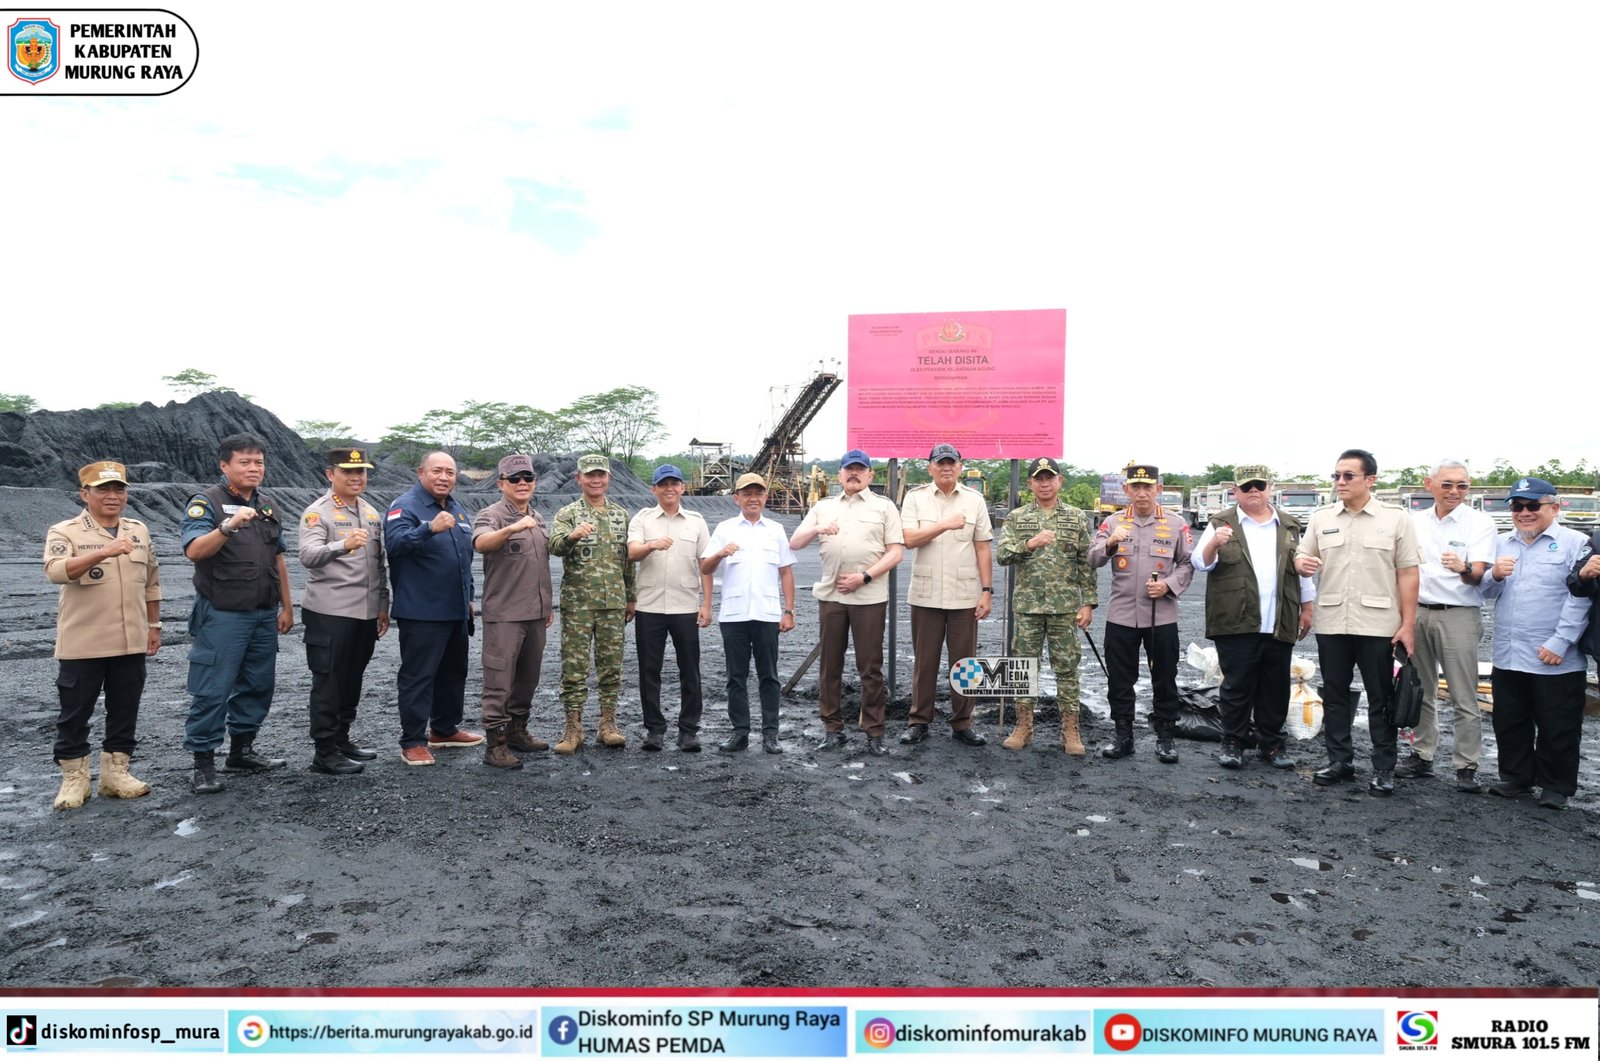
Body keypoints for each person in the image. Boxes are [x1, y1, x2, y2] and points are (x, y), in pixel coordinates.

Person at [1295, 448, 1419, 796]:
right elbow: (1304, 553)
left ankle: (1383, 768)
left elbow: (1408, 573)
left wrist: (1408, 624)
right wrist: (1300, 563)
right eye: (1336, 475)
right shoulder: (1322, 517)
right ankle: (1340, 761)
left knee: (1382, 699)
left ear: (1370, 480)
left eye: (1348, 476)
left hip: (1378, 624)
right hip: (1333, 621)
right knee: (1334, 695)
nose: (1340, 482)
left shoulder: (1395, 518)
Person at [181, 433, 295, 794]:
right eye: (244, 462)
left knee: (258, 686)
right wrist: (228, 527)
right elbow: (195, 551)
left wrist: (288, 605)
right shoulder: (206, 503)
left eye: (258, 462)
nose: (253, 468)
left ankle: (242, 751)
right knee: (212, 689)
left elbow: (278, 558)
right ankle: (203, 763)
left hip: (263, 613)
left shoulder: (267, 505)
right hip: (223, 614)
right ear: (224, 466)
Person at [43, 460, 162, 809]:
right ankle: (74, 780)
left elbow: (151, 582)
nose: (113, 496)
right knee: (75, 713)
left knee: (125, 708)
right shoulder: (65, 531)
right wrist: (106, 550)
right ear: (85, 494)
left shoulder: (138, 530)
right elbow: (56, 572)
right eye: (103, 489)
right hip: (84, 641)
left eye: (119, 489)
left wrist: (154, 627)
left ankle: (116, 775)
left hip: (130, 640)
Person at [1189, 464, 1315, 769]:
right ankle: (1233, 742)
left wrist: (1308, 608)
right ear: (1236, 492)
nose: (1254, 491)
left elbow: (1304, 568)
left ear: (1270, 488)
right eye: (1247, 487)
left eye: (1259, 485)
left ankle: (1271, 744)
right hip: (1235, 619)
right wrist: (1213, 544)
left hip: (1279, 617)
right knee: (1236, 686)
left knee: (1275, 686)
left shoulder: (1289, 526)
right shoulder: (1222, 523)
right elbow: (1199, 563)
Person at [1481, 478, 1591, 809]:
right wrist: (1494, 575)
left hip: (1555, 654)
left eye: (1532, 506)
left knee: (1558, 722)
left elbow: (1582, 596)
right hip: (1509, 651)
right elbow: (1484, 593)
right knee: (1510, 718)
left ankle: (1556, 786)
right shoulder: (1501, 544)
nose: (1524, 513)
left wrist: (1561, 641)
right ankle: (1516, 777)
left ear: (1554, 508)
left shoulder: (1576, 543)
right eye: (1517, 506)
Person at [790, 449, 905, 756]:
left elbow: (895, 552)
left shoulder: (884, 507)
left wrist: (864, 577)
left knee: (870, 667)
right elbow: (795, 542)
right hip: (831, 596)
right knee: (830, 666)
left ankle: (874, 731)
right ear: (839, 475)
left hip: (868, 596)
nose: (853, 474)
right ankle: (832, 729)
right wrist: (815, 528)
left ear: (870, 475)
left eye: (860, 470)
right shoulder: (823, 507)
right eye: (848, 470)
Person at [1394, 459, 1498, 792]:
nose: (1454, 491)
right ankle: (1422, 755)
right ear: (1429, 484)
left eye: (1462, 485)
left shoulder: (1480, 523)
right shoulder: (1413, 522)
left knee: (1463, 694)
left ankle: (1466, 765)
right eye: (1447, 484)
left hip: (1459, 614)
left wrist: (1463, 567)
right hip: (1418, 613)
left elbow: (1478, 574)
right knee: (1419, 687)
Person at [1089, 463, 1195, 763]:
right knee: (1120, 679)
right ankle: (1123, 736)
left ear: (1158, 489)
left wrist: (1169, 585)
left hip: (1161, 616)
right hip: (1121, 615)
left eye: (1148, 487)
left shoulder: (1176, 524)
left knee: (1165, 677)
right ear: (1126, 490)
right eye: (1135, 487)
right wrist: (1110, 543)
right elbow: (1091, 558)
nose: (1142, 493)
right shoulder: (1112, 522)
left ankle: (1165, 737)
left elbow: (1188, 563)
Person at [385, 450, 483, 766]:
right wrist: (429, 528)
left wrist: (468, 596)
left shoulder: (456, 507)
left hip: (455, 609)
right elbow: (396, 546)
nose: (444, 477)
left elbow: (463, 559)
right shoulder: (405, 507)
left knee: (453, 672)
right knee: (419, 676)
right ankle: (413, 741)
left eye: (450, 472)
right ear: (421, 472)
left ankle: (443, 729)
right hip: (422, 611)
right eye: (437, 471)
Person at [995, 458, 1098, 753]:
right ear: (1030, 484)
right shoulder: (1017, 517)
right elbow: (1002, 555)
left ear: (1059, 481)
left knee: (1067, 668)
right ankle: (1024, 726)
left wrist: (1088, 603)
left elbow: (1086, 563)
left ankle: (1070, 730)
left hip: (1065, 607)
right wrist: (1030, 543)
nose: (1044, 483)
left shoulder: (1077, 517)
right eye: (1038, 478)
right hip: (1027, 607)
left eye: (1049, 478)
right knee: (1023, 668)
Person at [297, 447, 389, 776]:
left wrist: (382, 603)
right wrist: (342, 545)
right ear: (330, 475)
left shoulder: (371, 512)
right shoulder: (317, 513)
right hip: (330, 612)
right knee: (329, 682)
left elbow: (379, 564)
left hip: (364, 613)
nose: (356, 477)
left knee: (352, 680)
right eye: (348, 472)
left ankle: (342, 738)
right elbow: (307, 555)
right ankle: (324, 752)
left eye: (361, 471)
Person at [898, 443, 993, 747]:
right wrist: (943, 525)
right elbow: (909, 539)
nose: (946, 467)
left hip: (964, 595)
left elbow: (982, 546)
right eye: (940, 463)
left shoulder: (975, 500)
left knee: (965, 663)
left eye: (951, 463)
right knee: (924, 663)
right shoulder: (915, 498)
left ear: (961, 467)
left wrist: (987, 591)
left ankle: (962, 723)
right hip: (926, 595)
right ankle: (919, 721)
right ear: (930, 467)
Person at [701, 473, 798, 753]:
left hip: (767, 614)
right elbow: (705, 568)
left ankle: (770, 734)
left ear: (765, 497)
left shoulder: (776, 530)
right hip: (734, 615)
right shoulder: (724, 529)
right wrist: (720, 554)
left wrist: (789, 610)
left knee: (769, 675)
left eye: (758, 493)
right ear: (737, 498)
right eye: (747, 493)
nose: (753, 498)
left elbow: (786, 571)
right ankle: (740, 732)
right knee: (736, 677)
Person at [548, 453, 636, 753]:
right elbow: (554, 547)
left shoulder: (621, 515)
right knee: (573, 667)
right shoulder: (567, 513)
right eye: (589, 475)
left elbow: (627, 561)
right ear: (579, 479)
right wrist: (572, 536)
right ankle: (573, 728)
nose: (596, 480)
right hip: (578, 605)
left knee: (611, 667)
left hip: (613, 603)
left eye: (601, 475)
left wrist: (630, 596)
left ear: (608, 478)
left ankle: (607, 724)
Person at [471, 454, 554, 769]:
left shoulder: (538, 517)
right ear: (501, 483)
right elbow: (481, 543)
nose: (523, 484)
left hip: (535, 615)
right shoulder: (491, 514)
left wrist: (546, 605)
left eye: (528, 478)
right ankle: (495, 745)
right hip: (505, 616)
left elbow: (540, 565)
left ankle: (518, 731)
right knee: (499, 681)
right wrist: (513, 527)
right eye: (515, 479)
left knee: (527, 679)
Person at [628, 464, 713, 752]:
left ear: (682, 488)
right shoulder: (642, 519)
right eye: (663, 484)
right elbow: (632, 552)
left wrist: (706, 604)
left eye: (674, 483)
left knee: (690, 670)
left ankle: (688, 730)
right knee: (649, 670)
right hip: (649, 606)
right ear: (653, 489)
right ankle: (655, 729)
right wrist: (652, 545)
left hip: (685, 606)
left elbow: (706, 565)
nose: (669, 489)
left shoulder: (697, 522)